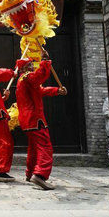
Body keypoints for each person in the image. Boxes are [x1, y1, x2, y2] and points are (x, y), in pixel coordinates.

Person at [15, 54, 67, 190]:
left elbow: (41, 91)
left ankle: (30, 173)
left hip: (27, 120)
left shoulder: (24, 81)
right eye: (29, 65)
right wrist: (45, 63)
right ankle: (40, 175)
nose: (32, 66)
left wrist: (56, 91)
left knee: (33, 148)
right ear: (23, 69)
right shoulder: (27, 77)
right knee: (45, 147)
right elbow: (40, 75)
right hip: (34, 118)